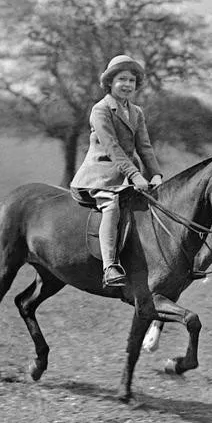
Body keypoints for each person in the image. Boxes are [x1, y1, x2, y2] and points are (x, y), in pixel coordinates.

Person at [70, 55, 163, 287]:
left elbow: (144, 146)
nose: (127, 85)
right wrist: (136, 175)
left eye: (132, 80)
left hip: (127, 177)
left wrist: (155, 174)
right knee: (111, 206)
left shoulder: (136, 112)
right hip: (99, 177)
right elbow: (112, 147)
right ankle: (110, 266)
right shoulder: (100, 110)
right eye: (122, 79)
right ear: (110, 82)